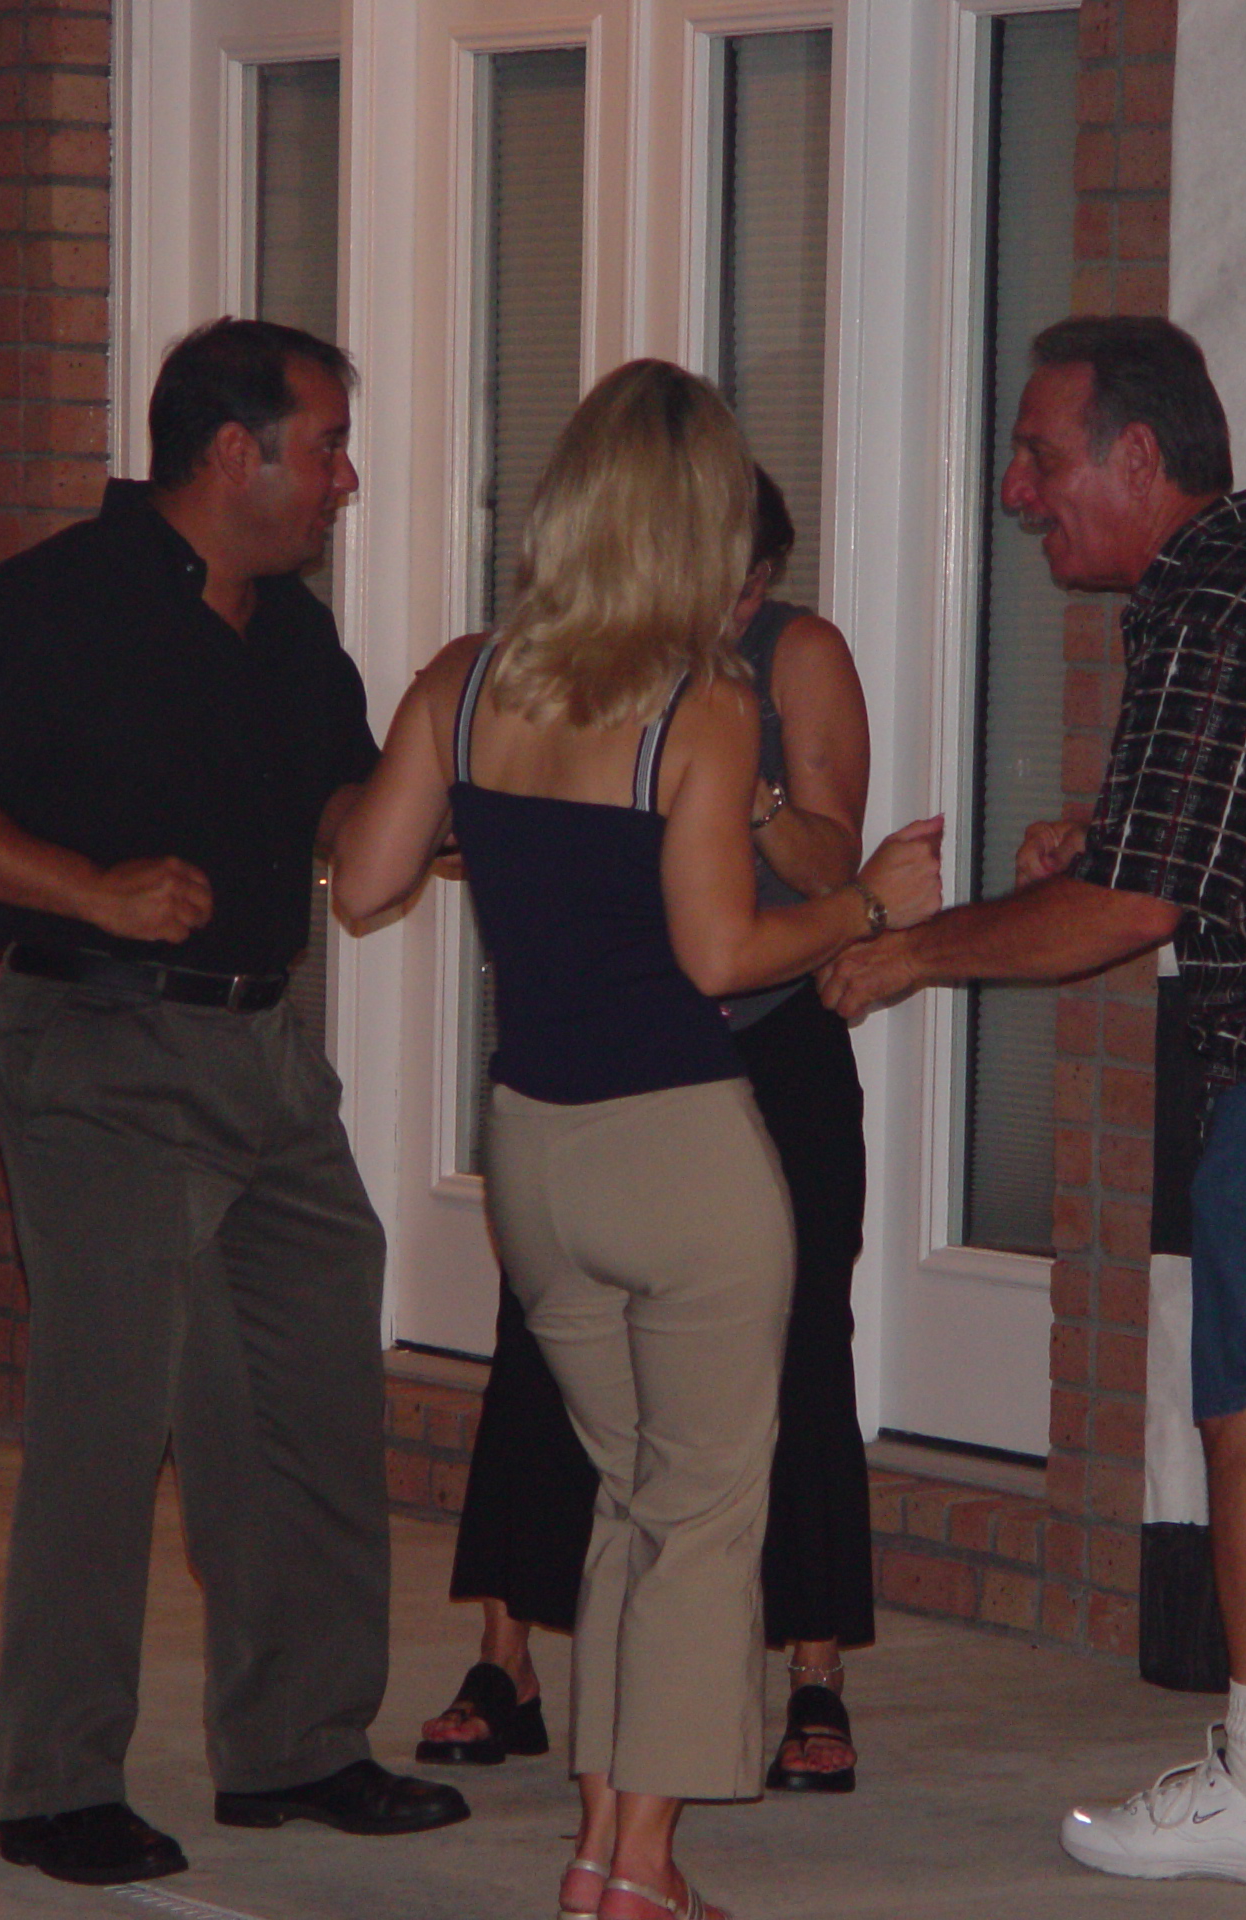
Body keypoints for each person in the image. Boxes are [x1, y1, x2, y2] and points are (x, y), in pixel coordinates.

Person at [0, 318, 466, 1889]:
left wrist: (437, 787)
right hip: (102, 1045)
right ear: (232, 452)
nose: (345, 479)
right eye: (327, 446)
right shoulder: (48, 606)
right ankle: (56, 1785)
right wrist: (87, 888)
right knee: (108, 1419)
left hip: (266, 1054)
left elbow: (341, 811)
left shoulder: (292, 635)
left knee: (310, 1401)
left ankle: (299, 1746)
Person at [332, 360, 939, 1920]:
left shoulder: (463, 677)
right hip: (679, 1152)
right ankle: (644, 1869)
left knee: (630, 1492)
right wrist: (869, 906)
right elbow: (723, 954)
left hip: (534, 1152)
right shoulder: (704, 707)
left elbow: (366, 883)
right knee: (703, 1512)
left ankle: (601, 1851)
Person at [823, 315, 1246, 1888]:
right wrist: (1106, 836)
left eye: (1040, 457)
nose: (1017, 493)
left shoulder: (1212, 605)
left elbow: (1134, 911)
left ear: (1139, 457)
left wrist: (909, 954)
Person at [415, 467, 879, 1797]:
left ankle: (810, 1671)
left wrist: (754, 800)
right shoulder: (571, 660)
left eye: (748, 587)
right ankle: (509, 1655)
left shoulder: (786, 662)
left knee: (796, 1344)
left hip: (763, 1041)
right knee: (547, 1349)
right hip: (607, 1057)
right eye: (714, 577)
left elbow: (831, 867)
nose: (729, 604)